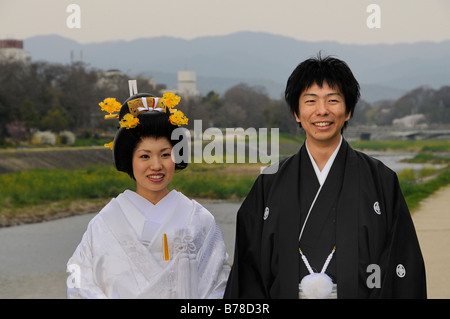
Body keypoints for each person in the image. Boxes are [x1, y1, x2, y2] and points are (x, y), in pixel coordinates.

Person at [224, 54, 427, 299]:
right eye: (310, 101)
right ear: (296, 113)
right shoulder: (269, 182)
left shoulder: (381, 180)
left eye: (333, 100)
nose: (322, 111)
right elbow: (249, 270)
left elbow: (400, 263)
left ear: (348, 110)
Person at [66, 82, 230, 298]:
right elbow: (80, 281)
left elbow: (218, 284)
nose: (156, 165)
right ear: (129, 160)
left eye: (165, 154)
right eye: (144, 156)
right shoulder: (105, 223)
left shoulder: (199, 220)